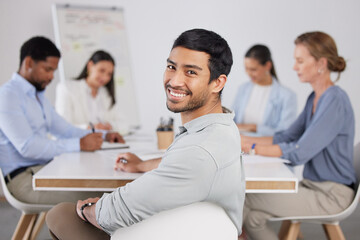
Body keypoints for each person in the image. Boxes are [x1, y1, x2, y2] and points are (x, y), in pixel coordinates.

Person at [46, 29, 245, 240]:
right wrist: (141, 165)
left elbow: (115, 212)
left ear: (218, 83)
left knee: (61, 213)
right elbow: (182, 163)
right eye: (171, 67)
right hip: (192, 227)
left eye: (191, 72)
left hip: (162, 231)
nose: (175, 81)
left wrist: (86, 209)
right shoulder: (222, 127)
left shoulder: (199, 151)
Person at [241, 31, 356, 240]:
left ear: (321, 63)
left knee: (245, 198)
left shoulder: (335, 100)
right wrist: (245, 140)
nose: (294, 67)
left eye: (300, 61)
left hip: (331, 195)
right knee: (253, 217)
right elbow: (285, 136)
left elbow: (299, 152)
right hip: (314, 186)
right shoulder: (315, 97)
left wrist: (252, 148)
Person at [0, 36, 124, 205]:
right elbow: (28, 147)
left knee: (107, 186)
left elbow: (65, 129)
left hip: (45, 170)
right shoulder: (7, 95)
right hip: (24, 180)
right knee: (102, 196)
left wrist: (103, 135)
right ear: (28, 63)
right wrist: (79, 144)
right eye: (47, 69)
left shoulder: (38, 96)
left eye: (54, 71)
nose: (51, 77)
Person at [55, 50, 129, 133]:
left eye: (109, 74)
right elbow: (62, 127)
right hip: (79, 143)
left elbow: (125, 124)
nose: (105, 77)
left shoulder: (106, 94)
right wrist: (89, 127)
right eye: (102, 70)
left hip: (105, 143)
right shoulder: (67, 88)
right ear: (90, 66)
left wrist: (110, 126)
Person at [232, 44, 297, 136]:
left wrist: (254, 127)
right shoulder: (243, 89)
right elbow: (231, 121)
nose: (249, 73)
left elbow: (284, 133)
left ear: (267, 65)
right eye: (246, 69)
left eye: (253, 69)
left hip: (264, 147)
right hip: (238, 143)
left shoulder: (287, 96)